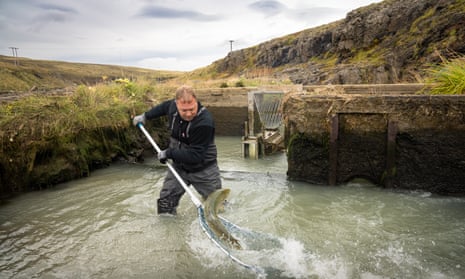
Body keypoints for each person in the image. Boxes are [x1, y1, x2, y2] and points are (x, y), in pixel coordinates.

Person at [132, 85, 221, 215]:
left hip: (204, 170)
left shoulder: (205, 122)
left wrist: (168, 153)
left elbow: (195, 155)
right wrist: (146, 116)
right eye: (183, 110)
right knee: (165, 203)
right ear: (176, 104)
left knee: (217, 208)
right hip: (178, 168)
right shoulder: (172, 106)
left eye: (192, 109)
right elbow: (163, 107)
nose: (189, 113)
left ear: (196, 101)